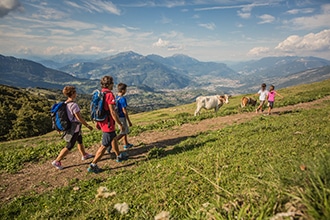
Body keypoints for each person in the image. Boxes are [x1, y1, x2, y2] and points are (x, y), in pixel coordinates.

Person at [88, 76, 128, 173]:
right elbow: (112, 112)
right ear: (109, 84)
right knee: (104, 145)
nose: (113, 85)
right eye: (112, 84)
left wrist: (98, 122)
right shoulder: (109, 95)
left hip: (102, 121)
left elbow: (99, 109)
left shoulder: (101, 93)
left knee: (113, 138)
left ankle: (118, 156)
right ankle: (93, 165)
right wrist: (120, 123)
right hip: (108, 123)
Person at [52, 86, 94, 170]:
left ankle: (84, 154)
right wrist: (88, 125)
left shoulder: (64, 104)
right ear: (73, 94)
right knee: (70, 145)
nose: (76, 93)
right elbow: (79, 118)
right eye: (75, 92)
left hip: (71, 126)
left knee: (79, 139)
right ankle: (57, 161)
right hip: (74, 127)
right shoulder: (74, 105)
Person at [115, 83, 133, 150]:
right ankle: (112, 143)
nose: (126, 91)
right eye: (125, 89)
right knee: (123, 132)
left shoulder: (116, 97)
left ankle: (126, 144)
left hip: (117, 117)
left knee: (123, 131)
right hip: (122, 117)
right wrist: (129, 121)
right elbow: (124, 110)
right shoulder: (122, 99)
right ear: (123, 90)